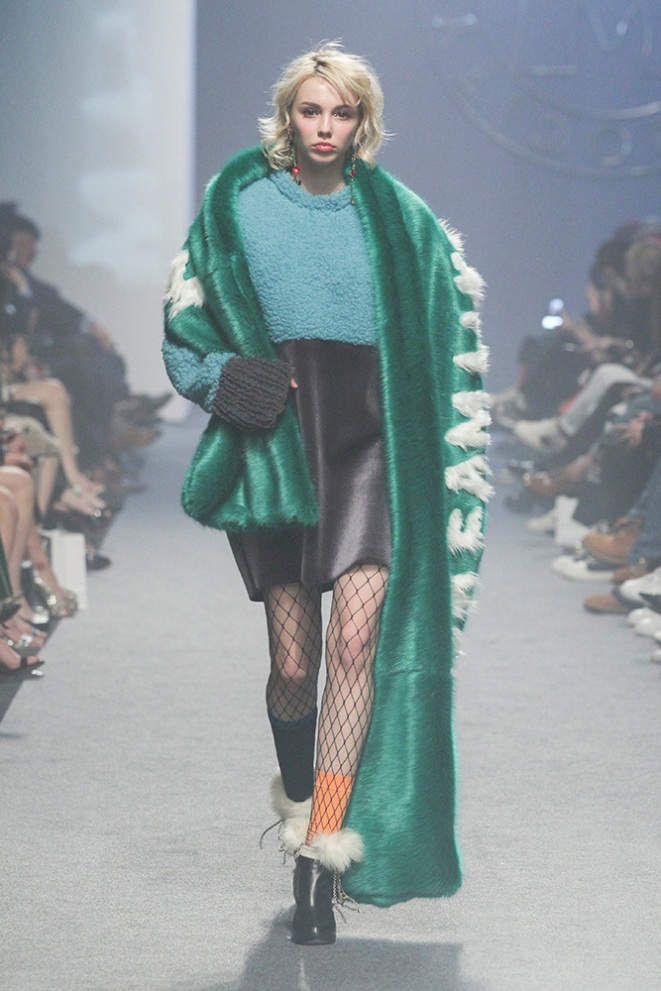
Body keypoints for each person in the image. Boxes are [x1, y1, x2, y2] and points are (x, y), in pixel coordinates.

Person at [162, 43, 489, 945]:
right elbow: (184, 332)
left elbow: (452, 345)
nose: (324, 127)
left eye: (341, 113)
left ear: (361, 122)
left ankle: (318, 853)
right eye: (311, 110)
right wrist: (241, 383)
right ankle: (304, 796)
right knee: (295, 666)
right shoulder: (237, 206)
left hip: (375, 443)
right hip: (279, 444)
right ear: (288, 115)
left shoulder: (401, 220)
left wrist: (442, 459)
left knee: (353, 646)